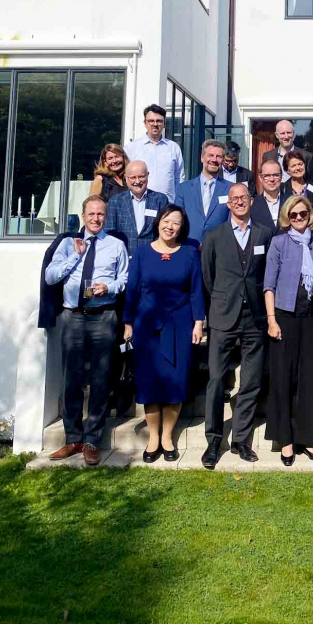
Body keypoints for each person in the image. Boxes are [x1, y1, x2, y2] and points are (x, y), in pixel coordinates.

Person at [44, 195, 128, 466]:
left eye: (100, 215)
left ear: (106, 217)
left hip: (103, 316)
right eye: (91, 214)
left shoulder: (116, 245)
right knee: (71, 379)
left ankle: (92, 439)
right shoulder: (67, 244)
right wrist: (75, 257)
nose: (95, 219)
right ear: (83, 216)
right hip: (72, 317)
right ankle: (72, 439)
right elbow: (50, 276)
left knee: (101, 379)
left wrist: (110, 288)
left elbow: (125, 278)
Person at [122, 205, 205, 462]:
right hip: (147, 326)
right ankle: (153, 437)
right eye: (166, 221)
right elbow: (133, 290)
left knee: (175, 381)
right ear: (158, 222)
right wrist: (127, 323)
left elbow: (196, 292)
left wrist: (198, 322)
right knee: (150, 382)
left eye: (176, 223)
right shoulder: (143, 253)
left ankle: (168, 437)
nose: (170, 226)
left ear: (182, 228)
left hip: (180, 325)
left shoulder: (190, 254)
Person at [201, 184, 272, 468]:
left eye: (244, 198)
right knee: (217, 380)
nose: (240, 202)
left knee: (251, 381)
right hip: (223, 316)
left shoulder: (264, 234)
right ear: (228, 204)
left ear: (251, 201)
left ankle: (241, 439)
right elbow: (208, 277)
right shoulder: (214, 236)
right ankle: (213, 440)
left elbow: (268, 274)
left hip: (254, 318)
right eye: (235, 199)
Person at [264, 195, 313, 465]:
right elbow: (269, 284)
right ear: (286, 217)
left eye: (303, 214)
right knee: (283, 378)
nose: (299, 219)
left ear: (310, 215)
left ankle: (307, 438)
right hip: (284, 316)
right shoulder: (279, 243)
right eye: (293, 215)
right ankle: (286, 440)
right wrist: (272, 320)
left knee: (311, 378)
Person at [175, 139, 231, 250]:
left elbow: (232, 221)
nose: (214, 160)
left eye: (219, 156)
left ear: (223, 160)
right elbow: (177, 219)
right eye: (210, 155)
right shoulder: (183, 189)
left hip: (219, 250)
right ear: (202, 158)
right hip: (188, 248)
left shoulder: (230, 189)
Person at [105, 161, 168, 256]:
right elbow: (109, 233)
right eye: (133, 177)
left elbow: (164, 232)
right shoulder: (115, 202)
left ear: (147, 175)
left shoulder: (160, 200)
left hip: (153, 257)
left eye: (141, 176)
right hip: (124, 258)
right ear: (126, 178)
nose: (137, 181)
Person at [125, 104, 185, 201]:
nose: (155, 124)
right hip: (140, 203)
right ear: (145, 123)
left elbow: (179, 178)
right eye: (151, 121)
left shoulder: (174, 148)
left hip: (167, 205)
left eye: (159, 121)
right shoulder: (132, 148)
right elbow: (126, 178)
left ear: (164, 124)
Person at [280, 149, 313, 220]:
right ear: (287, 171)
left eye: (300, 164)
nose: (298, 168)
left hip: (310, 228)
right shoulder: (282, 189)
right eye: (293, 166)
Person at [251, 160, 285, 235]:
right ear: (260, 178)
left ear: (281, 177)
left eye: (276, 175)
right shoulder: (252, 205)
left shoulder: (291, 202)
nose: (272, 179)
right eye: (267, 176)